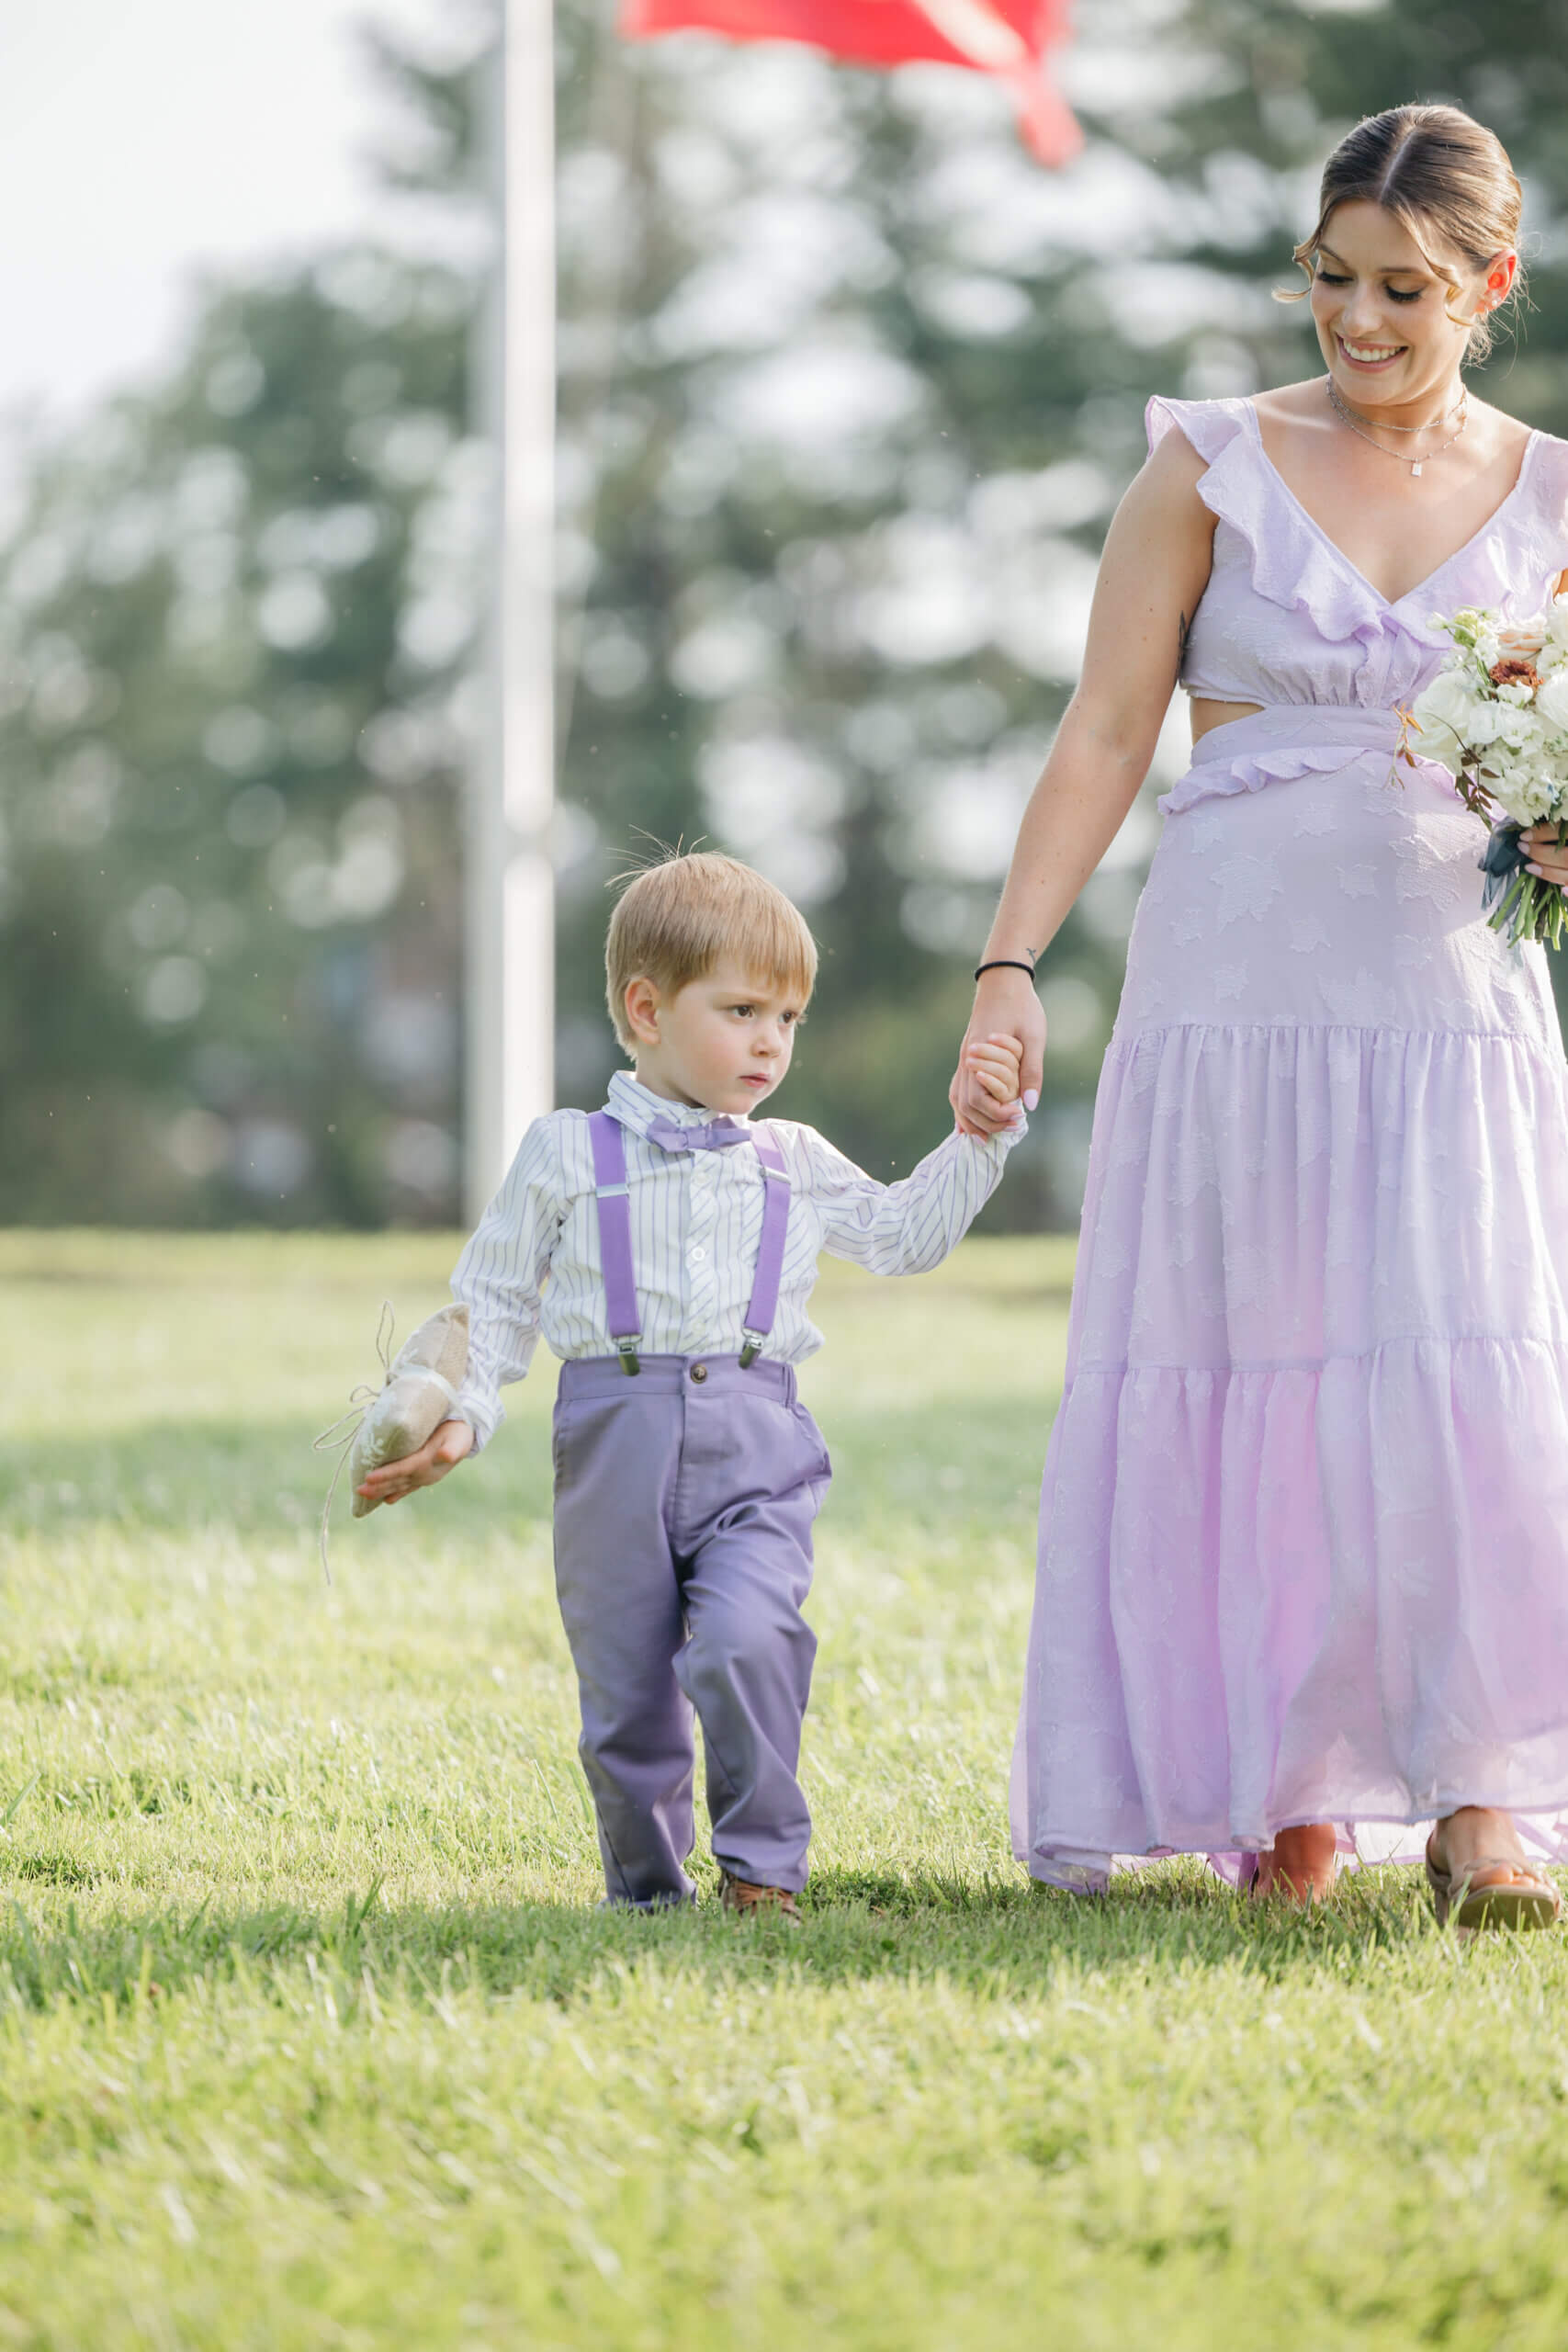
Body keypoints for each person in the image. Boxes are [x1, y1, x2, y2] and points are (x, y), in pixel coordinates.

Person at [951, 104, 1568, 1927]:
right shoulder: (1205, 467)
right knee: (1256, 1361)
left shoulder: (1550, 491)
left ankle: (1481, 1803)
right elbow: (1099, 736)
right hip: (1234, 992)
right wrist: (1005, 965)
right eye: (1326, 281)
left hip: (1451, 1000)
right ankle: (1280, 1793)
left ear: (1487, 287)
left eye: (1400, 290)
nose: (1355, 322)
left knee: (1462, 1362)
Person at [359, 851, 1024, 1919]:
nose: (772, 1040)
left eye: (791, 1017)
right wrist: (462, 1418)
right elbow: (493, 1304)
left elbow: (902, 1236)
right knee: (626, 1700)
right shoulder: (564, 1152)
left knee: (747, 1637)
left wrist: (980, 1140)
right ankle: (648, 1893)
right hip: (612, 1445)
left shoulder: (791, 1157)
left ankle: (762, 1872)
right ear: (647, 1006)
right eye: (745, 1008)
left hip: (758, 1443)